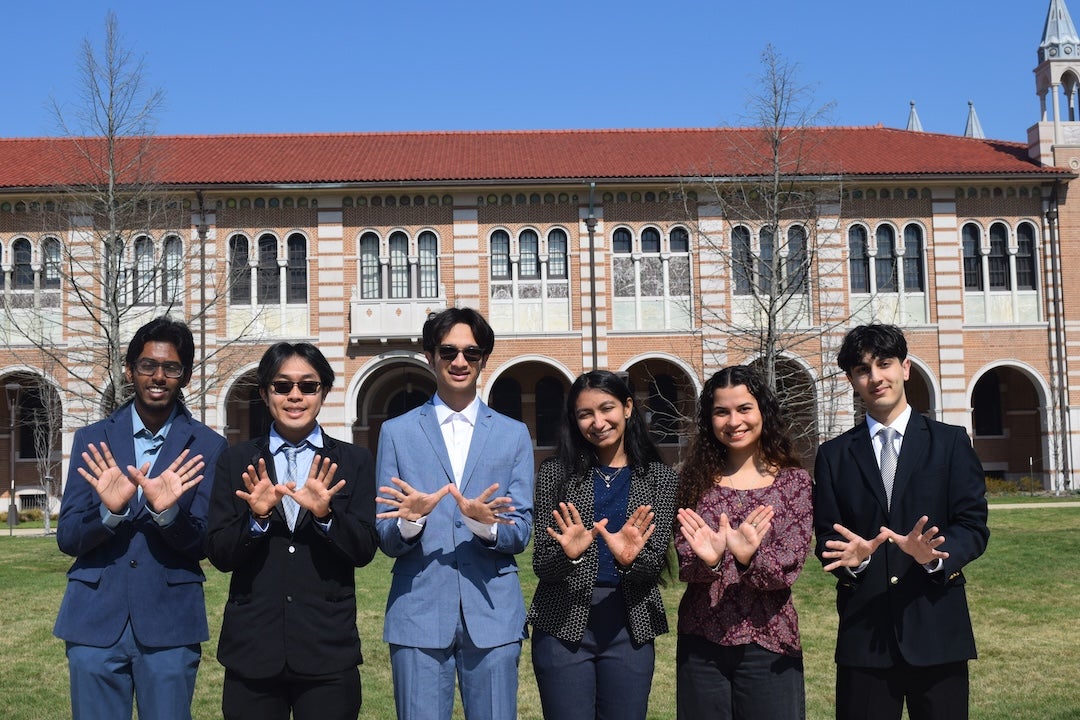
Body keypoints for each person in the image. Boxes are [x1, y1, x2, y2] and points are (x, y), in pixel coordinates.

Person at [53, 316, 228, 720]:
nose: (158, 376)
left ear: (185, 377)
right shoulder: (92, 438)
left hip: (170, 621)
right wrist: (109, 514)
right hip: (94, 621)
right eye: (148, 365)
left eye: (171, 368)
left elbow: (205, 542)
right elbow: (68, 537)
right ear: (130, 370)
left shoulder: (208, 446)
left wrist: (167, 514)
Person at [813, 324, 990, 720]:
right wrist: (856, 560)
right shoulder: (833, 456)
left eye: (885, 364)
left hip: (938, 632)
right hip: (865, 639)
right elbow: (828, 535)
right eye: (862, 369)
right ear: (851, 380)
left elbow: (974, 525)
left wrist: (936, 555)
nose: (875, 377)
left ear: (905, 368)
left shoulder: (950, 442)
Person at [375, 307, 534, 720]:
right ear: (430, 357)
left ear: (483, 359)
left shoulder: (513, 434)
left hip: (493, 611)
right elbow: (386, 537)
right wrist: (409, 522)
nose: (460, 362)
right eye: (448, 352)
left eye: (471, 353)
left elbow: (521, 532)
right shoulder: (396, 432)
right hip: (418, 609)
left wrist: (486, 526)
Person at [205, 342, 378, 720]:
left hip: (327, 650)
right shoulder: (236, 460)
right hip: (252, 650)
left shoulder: (354, 460)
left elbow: (365, 549)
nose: (295, 396)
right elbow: (219, 553)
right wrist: (257, 519)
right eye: (282, 386)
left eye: (308, 386)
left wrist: (326, 515)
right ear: (265, 393)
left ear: (324, 393)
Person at [528, 370, 678, 720]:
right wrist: (569, 556)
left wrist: (629, 561)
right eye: (585, 414)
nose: (598, 422)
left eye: (606, 408)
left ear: (627, 408)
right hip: (561, 622)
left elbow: (653, 565)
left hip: (629, 624)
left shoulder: (660, 478)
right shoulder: (555, 473)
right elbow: (541, 565)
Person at [674, 365, 812, 720]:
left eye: (744, 408)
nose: (733, 421)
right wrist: (712, 562)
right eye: (721, 412)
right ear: (709, 420)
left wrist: (749, 559)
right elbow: (687, 561)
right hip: (702, 642)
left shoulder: (793, 482)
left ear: (763, 410)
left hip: (769, 640)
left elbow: (789, 567)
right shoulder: (692, 481)